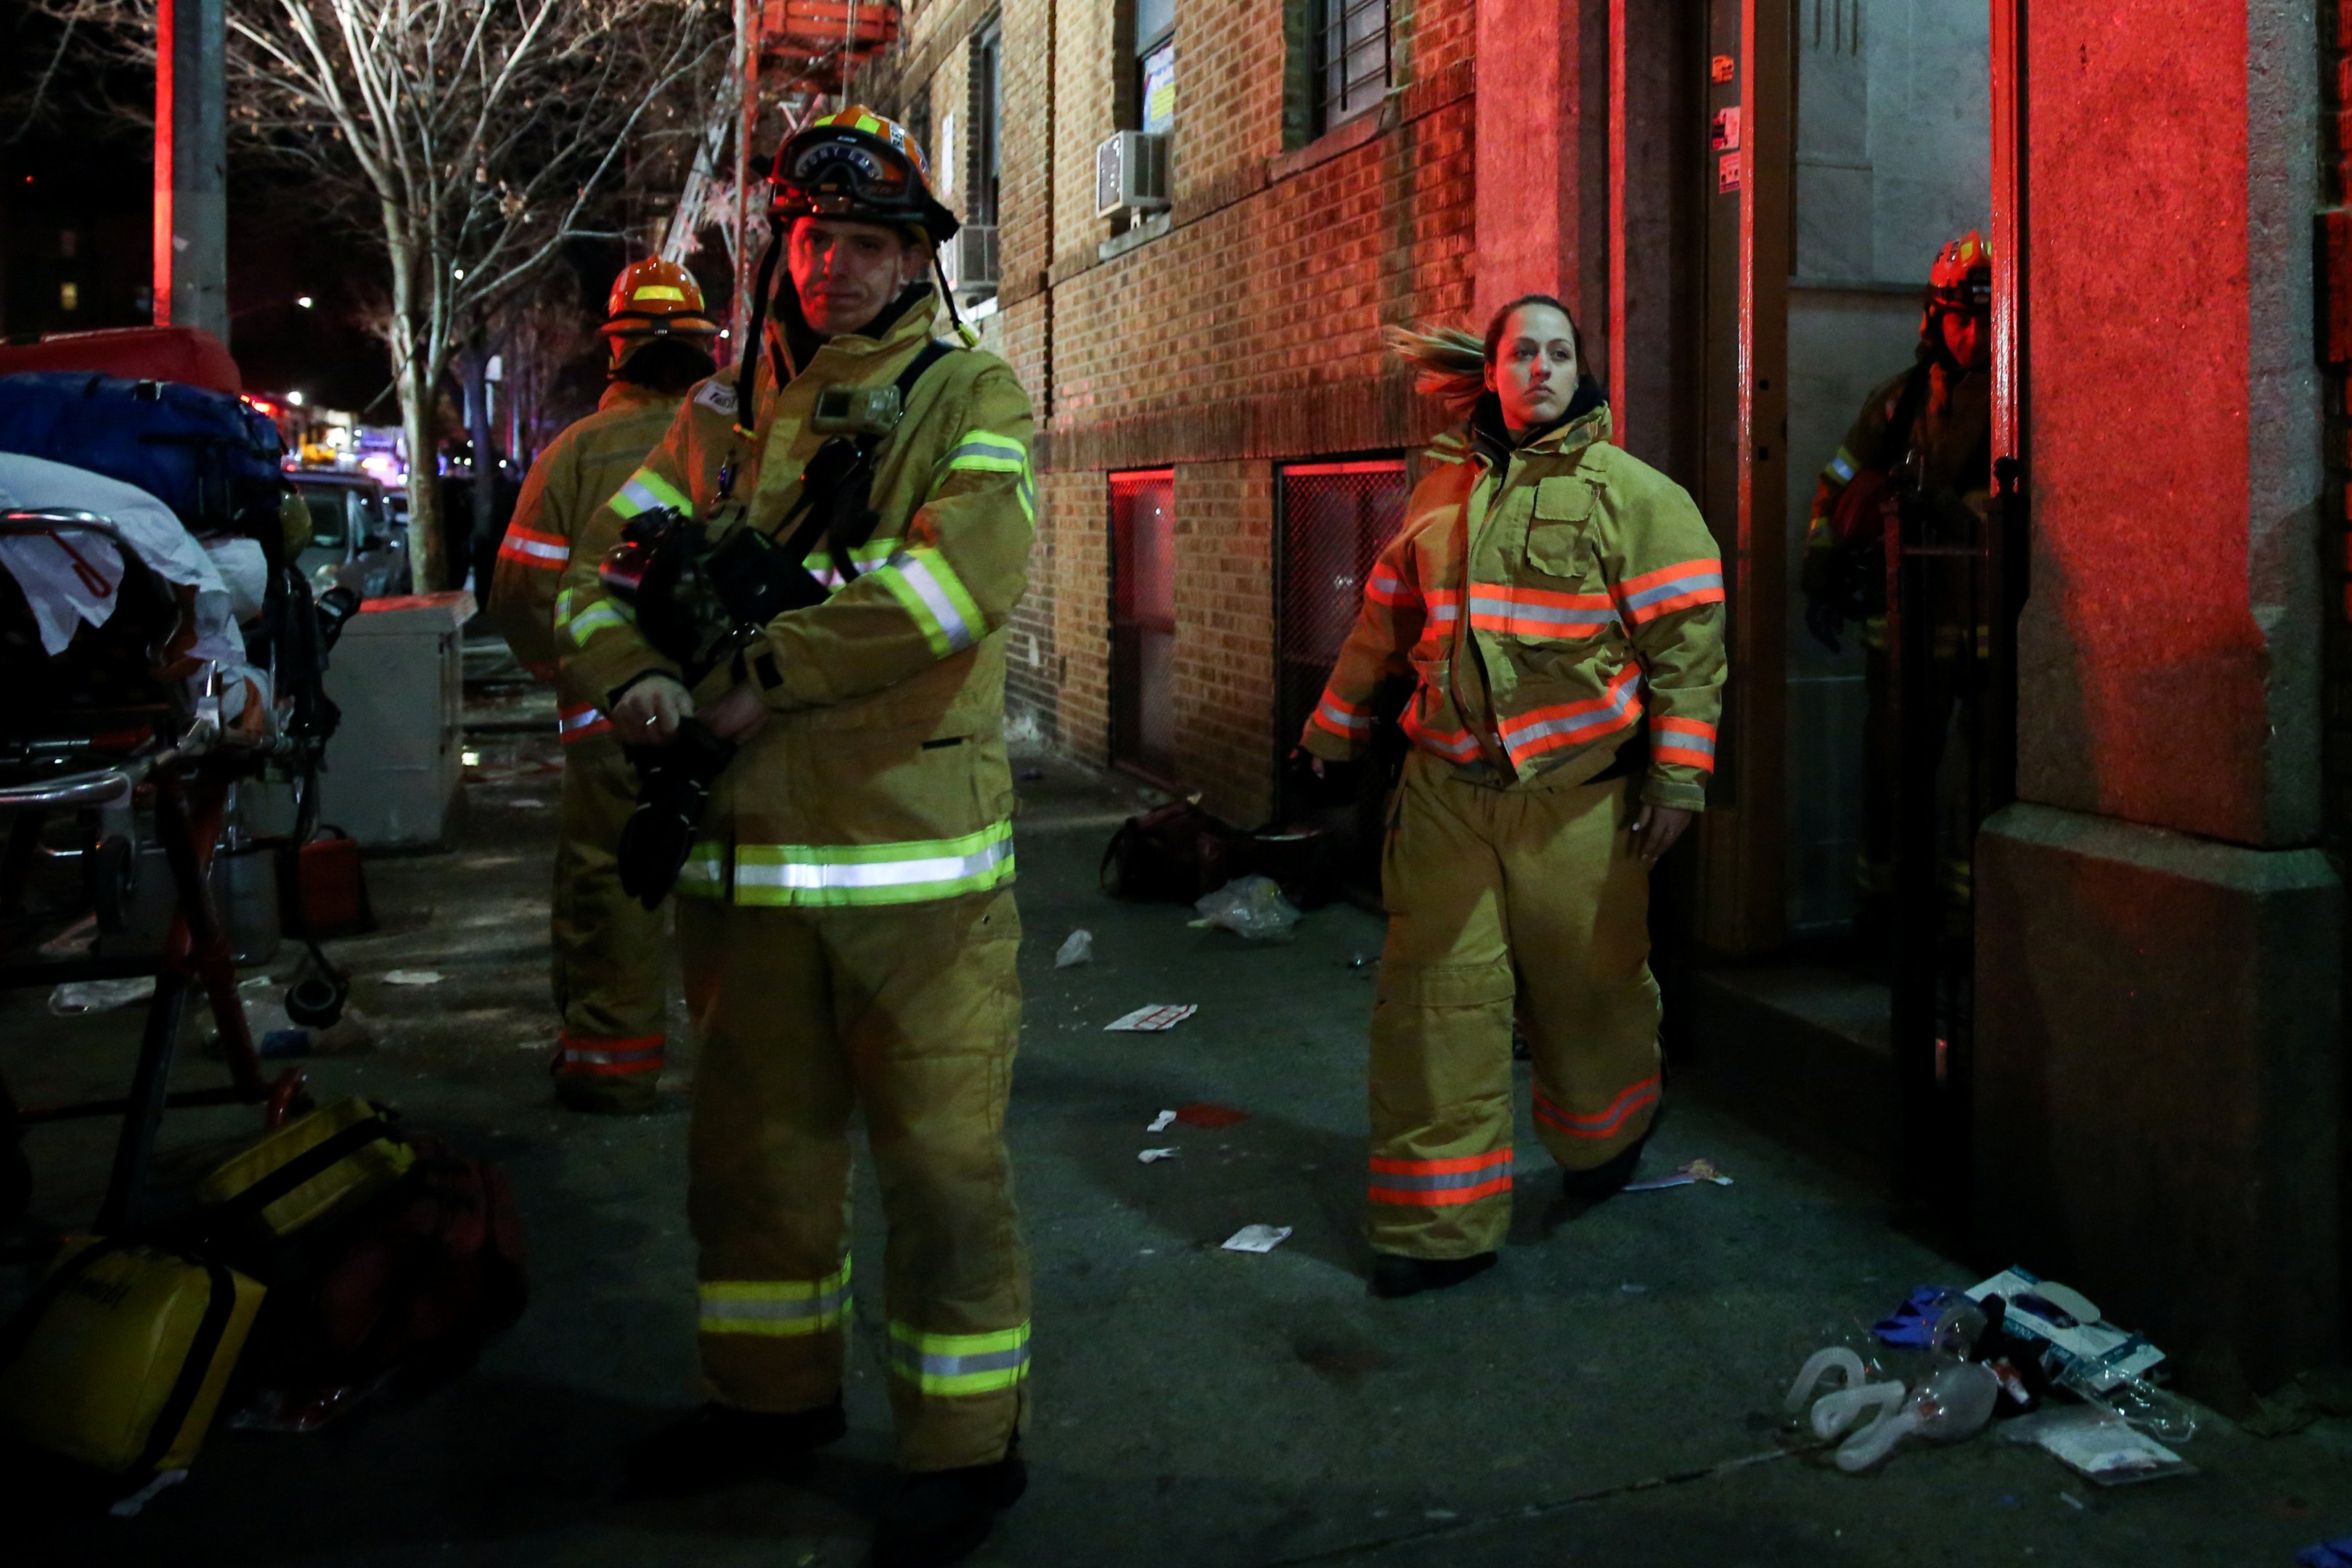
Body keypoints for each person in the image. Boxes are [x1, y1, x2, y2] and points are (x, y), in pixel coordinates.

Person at [555, 107, 1036, 1568]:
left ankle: (966, 1446)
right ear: (789, 253)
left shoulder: (974, 398)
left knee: (944, 1172)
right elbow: (591, 583)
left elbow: (951, 596)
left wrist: (751, 683)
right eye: (818, 241)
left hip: (920, 881)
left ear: (913, 263)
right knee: (756, 1164)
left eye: (872, 245)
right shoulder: (712, 430)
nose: (838, 267)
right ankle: (768, 1404)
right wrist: (629, 676)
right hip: (744, 878)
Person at [1297, 296, 1726, 1299]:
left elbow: (1691, 653)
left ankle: (1607, 1136)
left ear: (1583, 370)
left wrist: (1679, 780)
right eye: (1522, 352)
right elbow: (1386, 621)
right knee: (1436, 1006)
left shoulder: (1639, 497)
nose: (1541, 368)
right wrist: (1332, 725)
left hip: (1577, 805)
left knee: (1588, 993)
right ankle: (1434, 1228)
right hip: (1447, 793)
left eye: (1560, 352)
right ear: (1491, 373)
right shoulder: (1440, 490)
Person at [488, 257, 720, 1114]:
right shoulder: (738, 438)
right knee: (743, 885)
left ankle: (611, 1071)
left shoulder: (576, 453)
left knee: (615, 884)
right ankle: (762, 1075)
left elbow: (522, 596)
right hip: (735, 712)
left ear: (614, 349)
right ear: (702, 345)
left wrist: (576, 673)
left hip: (611, 721)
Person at [1799, 232, 1993, 932]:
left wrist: (1941, 509)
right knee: (1892, 775)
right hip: (1907, 626)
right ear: (1933, 318)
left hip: (1995, 629)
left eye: (1984, 319)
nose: (1971, 335)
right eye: (1958, 319)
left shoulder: (2024, 403)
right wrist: (1820, 568)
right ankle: (1884, 914)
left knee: (1985, 782)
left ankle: (1971, 927)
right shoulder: (1898, 406)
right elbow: (1837, 485)